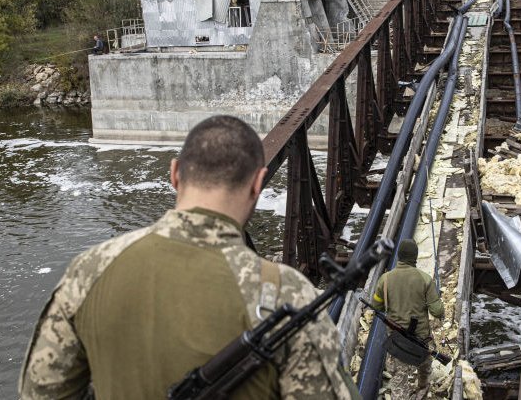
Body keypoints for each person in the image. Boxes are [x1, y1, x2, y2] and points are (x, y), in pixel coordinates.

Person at [19, 115, 357, 399]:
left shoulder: (89, 270)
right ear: (258, 183)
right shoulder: (287, 293)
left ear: (175, 174)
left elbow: (42, 391)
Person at [370, 239, 443, 397]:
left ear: (399, 256)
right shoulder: (425, 279)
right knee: (425, 365)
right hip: (421, 337)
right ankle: (423, 387)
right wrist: (438, 303)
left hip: (397, 340)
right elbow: (437, 311)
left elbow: (376, 306)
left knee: (399, 378)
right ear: (415, 257)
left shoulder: (385, 279)